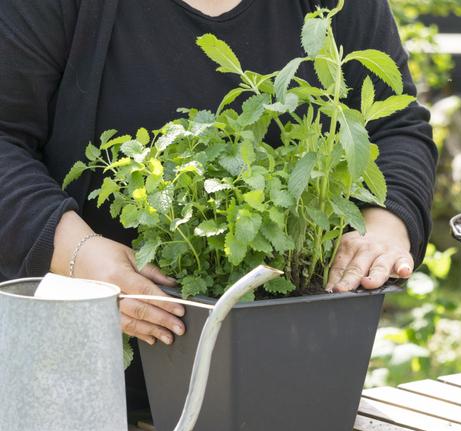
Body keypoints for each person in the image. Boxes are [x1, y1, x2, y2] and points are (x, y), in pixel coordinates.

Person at [0, 1, 437, 348]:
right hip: (80, 373)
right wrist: (79, 254)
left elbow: (393, 128)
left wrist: (385, 224)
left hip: (301, 373)